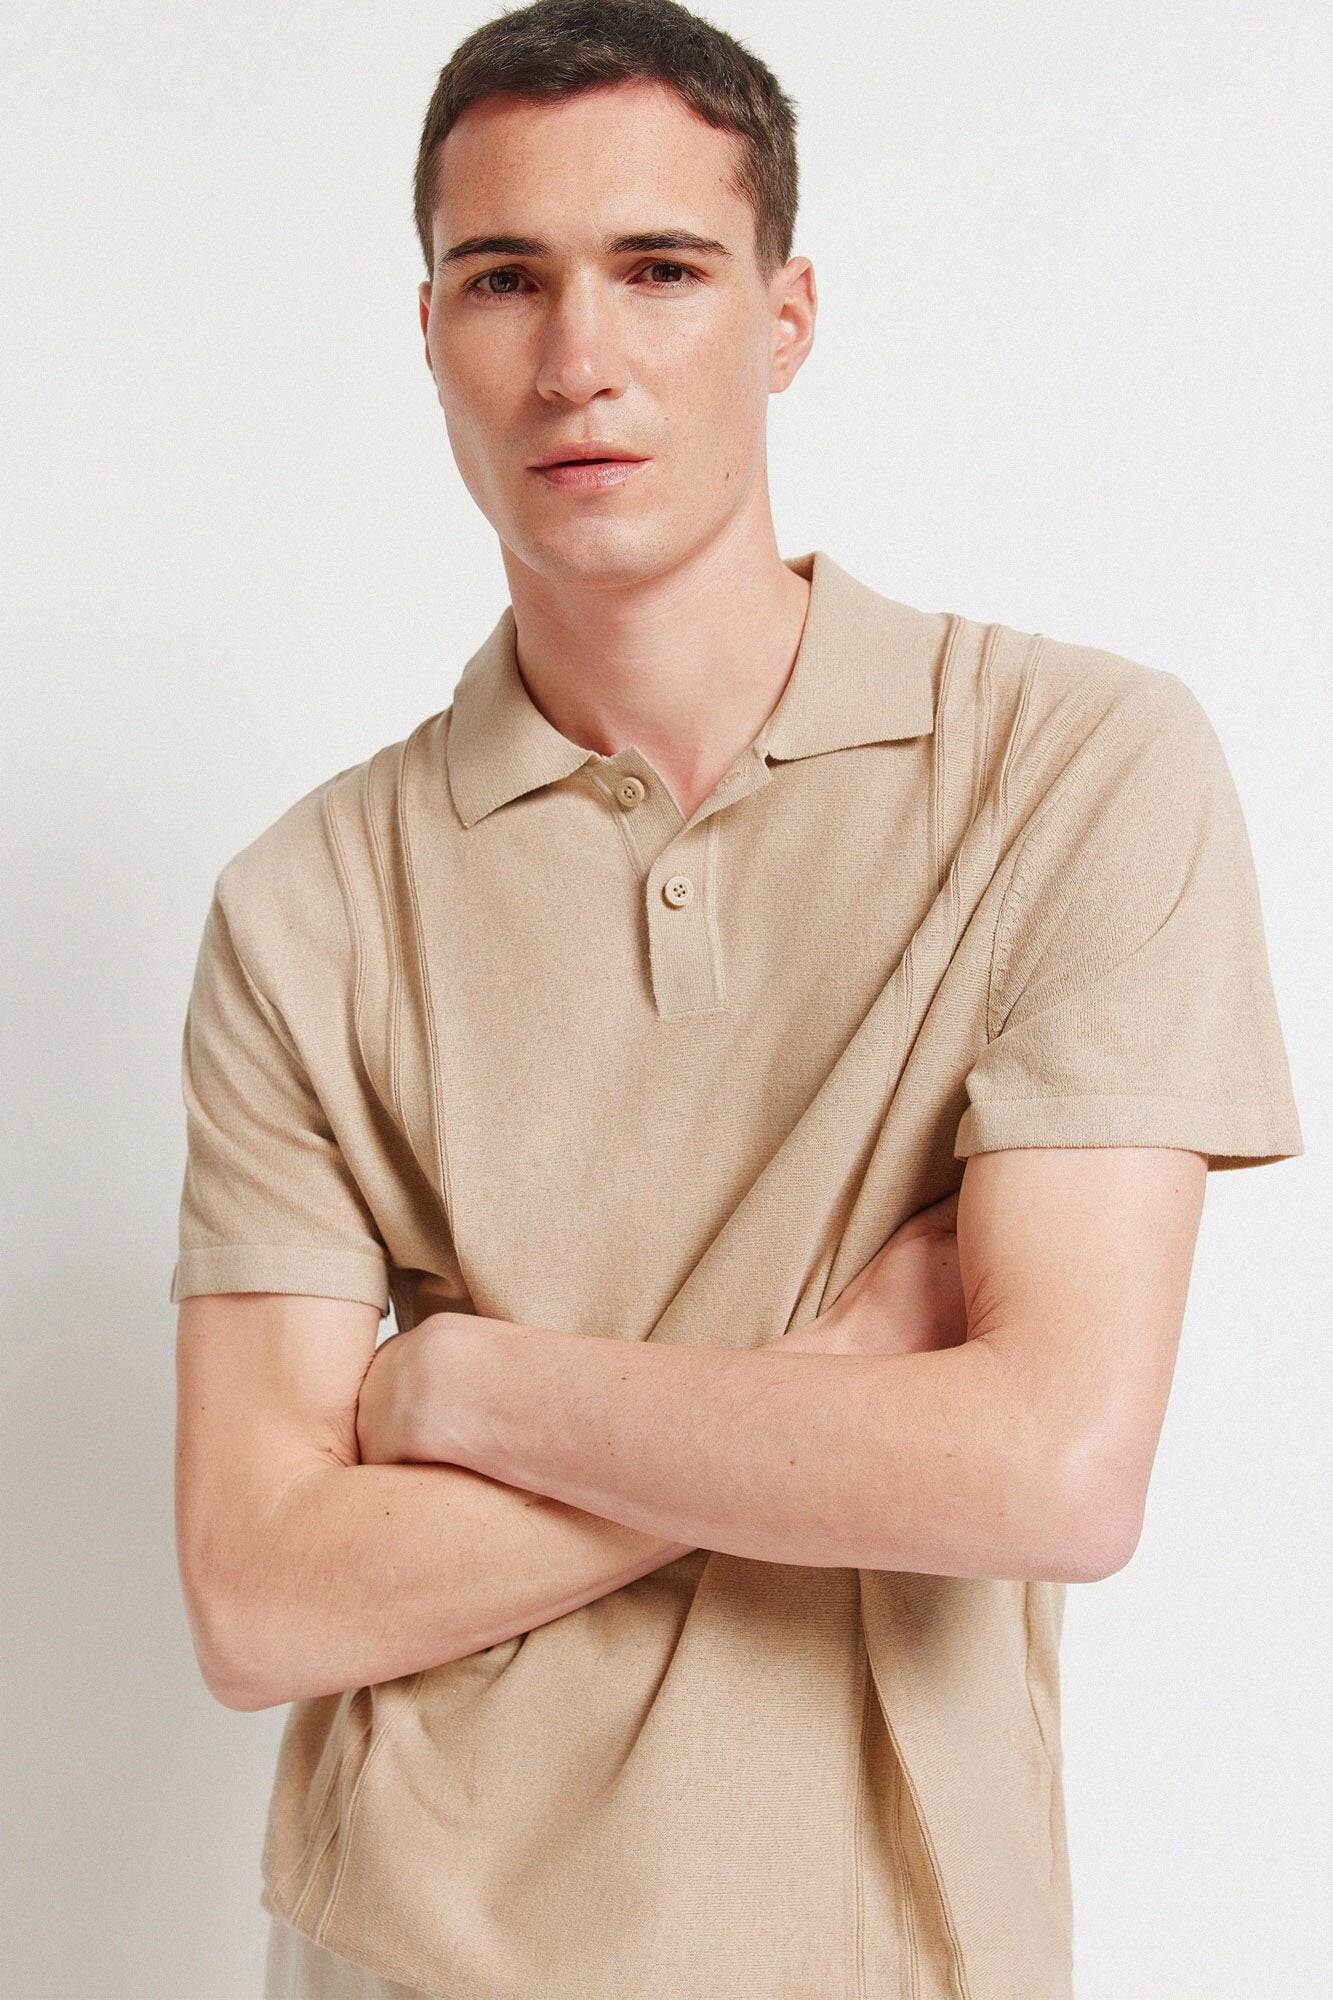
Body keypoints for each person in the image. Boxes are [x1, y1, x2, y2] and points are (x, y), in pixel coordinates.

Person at [170, 3, 1303, 1996]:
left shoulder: (1068, 768)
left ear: (785, 318)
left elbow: (1047, 1470)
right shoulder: (307, 903)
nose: (577, 359)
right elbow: (261, 1596)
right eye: (502, 279)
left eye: (660, 269)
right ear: (427, 333)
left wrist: (471, 1391)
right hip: (400, 1958)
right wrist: (838, 1380)